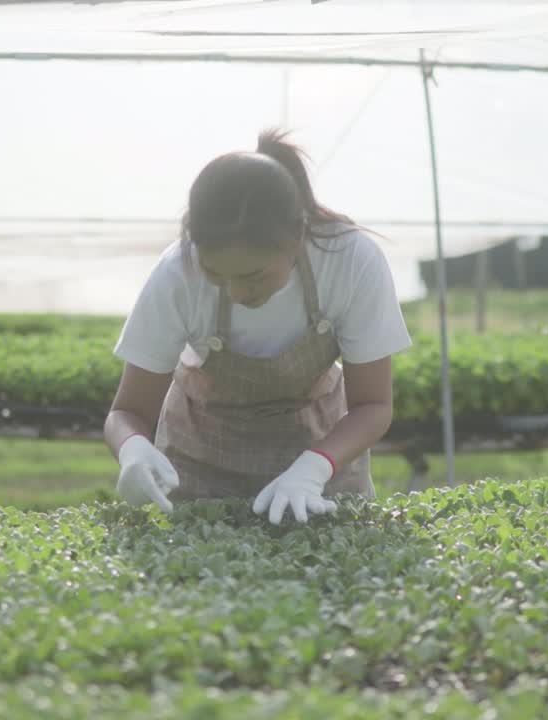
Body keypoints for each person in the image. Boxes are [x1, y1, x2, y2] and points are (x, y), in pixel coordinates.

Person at [104, 129, 412, 524]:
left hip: (321, 458)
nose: (235, 293)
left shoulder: (350, 260)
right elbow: (127, 411)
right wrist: (132, 448)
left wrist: (313, 469)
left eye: (253, 276)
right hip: (201, 466)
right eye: (216, 275)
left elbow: (373, 405)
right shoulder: (177, 273)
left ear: (297, 237)